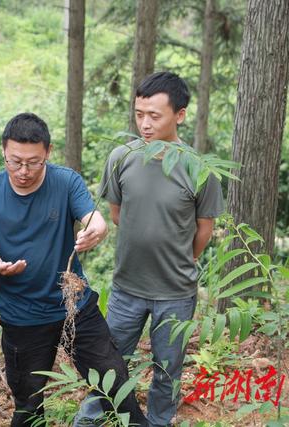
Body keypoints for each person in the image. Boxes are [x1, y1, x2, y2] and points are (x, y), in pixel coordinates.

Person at [0, 112, 147, 427]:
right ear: (3, 152)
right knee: (28, 402)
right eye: (15, 161)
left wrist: (96, 229)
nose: (23, 171)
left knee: (115, 382)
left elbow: (94, 218)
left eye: (34, 162)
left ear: (47, 153)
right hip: (21, 315)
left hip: (73, 305)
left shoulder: (65, 181)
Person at [77, 71, 224, 426]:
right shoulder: (121, 157)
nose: (144, 123)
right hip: (127, 287)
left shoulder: (199, 168)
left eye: (154, 115)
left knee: (167, 368)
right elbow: (117, 213)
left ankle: (158, 421)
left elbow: (205, 228)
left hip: (175, 292)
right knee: (110, 362)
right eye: (139, 114)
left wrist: (182, 260)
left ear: (180, 115)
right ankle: (92, 417)